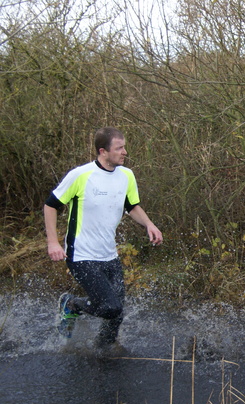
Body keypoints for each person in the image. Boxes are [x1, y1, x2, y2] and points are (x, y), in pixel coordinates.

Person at [44, 127, 163, 350]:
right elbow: (51, 205)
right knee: (110, 307)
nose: (125, 152)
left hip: (109, 255)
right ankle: (71, 304)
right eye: (119, 148)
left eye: (124, 147)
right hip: (81, 255)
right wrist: (53, 242)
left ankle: (103, 350)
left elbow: (131, 206)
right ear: (103, 151)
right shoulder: (80, 175)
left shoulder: (127, 175)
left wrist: (149, 224)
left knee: (116, 314)